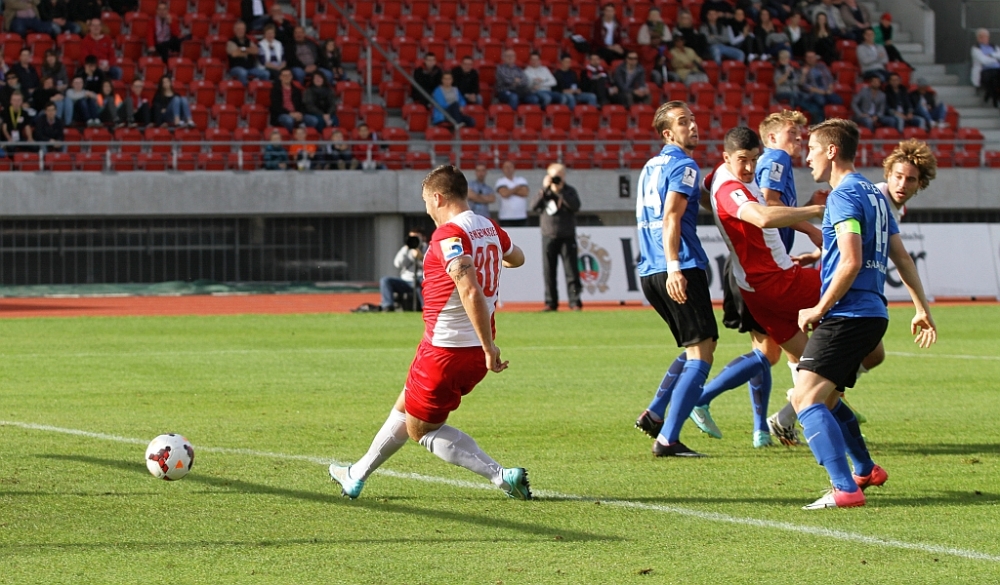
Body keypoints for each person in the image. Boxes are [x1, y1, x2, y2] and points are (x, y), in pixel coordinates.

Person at [329, 165, 531, 501]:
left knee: (420, 430)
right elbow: (517, 258)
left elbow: (468, 289)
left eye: (426, 201)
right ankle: (356, 475)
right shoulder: (489, 227)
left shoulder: (448, 235)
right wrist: (492, 262)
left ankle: (502, 476)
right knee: (406, 403)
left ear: (437, 198)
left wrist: (489, 346)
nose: (426, 209)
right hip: (468, 353)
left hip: (446, 351)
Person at [794, 118, 936, 510]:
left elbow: (851, 260)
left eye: (813, 149)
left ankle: (844, 488)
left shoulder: (842, 196)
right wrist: (921, 309)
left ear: (831, 151)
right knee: (829, 398)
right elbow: (901, 257)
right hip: (872, 313)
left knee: (805, 399)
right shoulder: (875, 196)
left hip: (848, 313)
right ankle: (866, 469)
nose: (808, 158)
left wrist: (819, 307)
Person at [632, 101, 718, 458]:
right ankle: (668, 439)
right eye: (683, 122)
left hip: (649, 270)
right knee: (702, 351)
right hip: (677, 265)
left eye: (693, 119)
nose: (692, 126)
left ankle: (655, 413)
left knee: (696, 345)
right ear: (668, 133)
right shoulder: (685, 166)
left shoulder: (650, 166)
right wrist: (675, 267)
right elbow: (671, 217)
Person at [530, 163, 582, 312]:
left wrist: (561, 192)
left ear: (564, 176)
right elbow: (533, 206)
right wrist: (545, 189)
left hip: (567, 236)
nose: (556, 179)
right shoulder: (544, 192)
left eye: (559, 176)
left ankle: (575, 301)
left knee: (571, 271)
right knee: (549, 272)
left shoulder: (569, 191)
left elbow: (575, 206)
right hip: (548, 236)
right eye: (554, 176)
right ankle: (550, 302)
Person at [878, 139, 938, 224]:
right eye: (898, 177)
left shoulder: (900, 210)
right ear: (889, 175)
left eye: (910, 180)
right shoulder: (870, 199)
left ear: (919, 184)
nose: (902, 185)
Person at [378, 230, 426, 312]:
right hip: (406, 281)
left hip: (420, 279)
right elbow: (397, 263)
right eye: (411, 237)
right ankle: (388, 306)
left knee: (421, 282)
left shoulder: (427, 248)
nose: (413, 239)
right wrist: (407, 247)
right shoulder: (405, 249)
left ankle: (425, 308)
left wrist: (421, 258)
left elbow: (431, 265)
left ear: (423, 238)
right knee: (385, 280)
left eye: (416, 237)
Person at [773, 49, 821, 122]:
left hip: (796, 92)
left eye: (786, 57)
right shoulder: (778, 69)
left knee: (809, 97)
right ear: (780, 59)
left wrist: (803, 74)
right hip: (783, 93)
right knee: (795, 97)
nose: (785, 60)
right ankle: (811, 111)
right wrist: (786, 73)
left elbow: (799, 83)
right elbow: (778, 82)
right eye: (783, 58)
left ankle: (816, 115)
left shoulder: (793, 69)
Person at [800, 50, 843, 117]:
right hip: (815, 93)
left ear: (815, 58)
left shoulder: (822, 66)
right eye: (808, 57)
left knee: (839, 100)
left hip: (826, 91)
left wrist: (829, 89)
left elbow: (830, 79)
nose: (810, 59)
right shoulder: (804, 69)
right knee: (821, 101)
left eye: (812, 57)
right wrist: (803, 74)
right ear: (806, 59)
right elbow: (803, 85)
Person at [227, 20, 270, 86]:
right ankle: (245, 90)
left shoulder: (248, 40)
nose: (241, 31)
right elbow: (234, 54)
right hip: (236, 68)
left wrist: (242, 49)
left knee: (266, 73)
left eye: (242, 29)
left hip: (250, 68)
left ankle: (262, 90)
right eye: (239, 29)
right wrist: (248, 51)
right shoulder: (231, 42)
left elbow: (256, 51)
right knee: (243, 72)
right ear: (235, 30)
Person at [494, 160, 530, 227]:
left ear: (514, 169)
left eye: (510, 167)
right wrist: (516, 188)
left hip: (521, 216)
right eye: (506, 167)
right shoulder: (500, 181)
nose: (508, 169)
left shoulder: (521, 180)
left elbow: (525, 193)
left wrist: (509, 190)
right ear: (503, 169)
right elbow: (504, 194)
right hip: (505, 217)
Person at [971, 28, 1000, 108]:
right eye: (980, 36)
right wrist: (996, 59)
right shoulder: (976, 48)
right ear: (977, 38)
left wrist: (991, 55)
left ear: (988, 37)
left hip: (997, 69)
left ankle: (989, 97)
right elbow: (983, 60)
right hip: (985, 70)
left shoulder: (994, 46)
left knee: (996, 80)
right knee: (993, 80)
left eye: (985, 36)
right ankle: (994, 101)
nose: (983, 38)